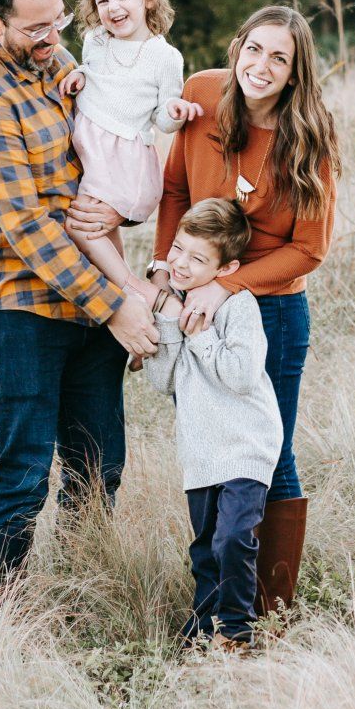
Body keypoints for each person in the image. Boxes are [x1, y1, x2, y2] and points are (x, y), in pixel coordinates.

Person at [70, 5, 338, 616]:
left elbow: (310, 248)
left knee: (269, 453)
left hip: (269, 313)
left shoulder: (309, 136)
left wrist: (230, 285)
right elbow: (175, 190)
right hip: (192, 301)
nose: (261, 67)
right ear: (237, 47)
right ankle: (221, 598)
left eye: (280, 58)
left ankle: (266, 610)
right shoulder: (201, 95)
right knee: (210, 450)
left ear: (296, 74)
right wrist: (164, 270)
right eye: (254, 49)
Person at [0, 0, 159, 597]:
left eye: (58, 21)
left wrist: (124, 265)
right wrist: (118, 305)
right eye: (35, 28)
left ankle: (85, 599)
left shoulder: (56, 62)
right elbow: (26, 228)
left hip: (86, 295)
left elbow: (106, 165)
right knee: (25, 475)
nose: (52, 39)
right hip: (16, 302)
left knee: (98, 468)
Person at [140, 197, 283, 654]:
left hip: (245, 444)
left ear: (227, 268)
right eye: (178, 249)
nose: (181, 263)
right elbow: (162, 382)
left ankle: (236, 632)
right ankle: (203, 631)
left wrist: (198, 335)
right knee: (205, 548)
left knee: (234, 537)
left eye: (198, 258)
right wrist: (167, 324)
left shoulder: (237, 306)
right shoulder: (172, 308)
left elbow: (241, 375)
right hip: (200, 451)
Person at [57, 0, 202, 298]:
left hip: (122, 158)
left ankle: (133, 290)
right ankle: (121, 299)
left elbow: (162, 117)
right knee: (100, 231)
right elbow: (94, 76)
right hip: (89, 150)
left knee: (82, 226)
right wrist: (79, 74)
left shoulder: (163, 56)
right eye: (103, 0)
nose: (113, 8)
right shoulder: (95, 41)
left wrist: (176, 111)